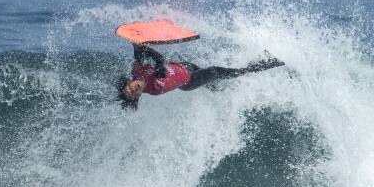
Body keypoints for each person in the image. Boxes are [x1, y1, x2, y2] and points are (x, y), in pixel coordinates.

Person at [116, 43, 284, 110]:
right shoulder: (155, 88)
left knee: (212, 80)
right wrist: (145, 47)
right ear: (139, 96)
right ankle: (261, 65)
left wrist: (136, 44)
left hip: (185, 67)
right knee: (215, 71)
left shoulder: (136, 72)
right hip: (189, 81)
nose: (133, 90)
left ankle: (219, 89)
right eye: (134, 94)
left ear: (129, 82)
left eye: (129, 89)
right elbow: (159, 59)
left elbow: (138, 56)